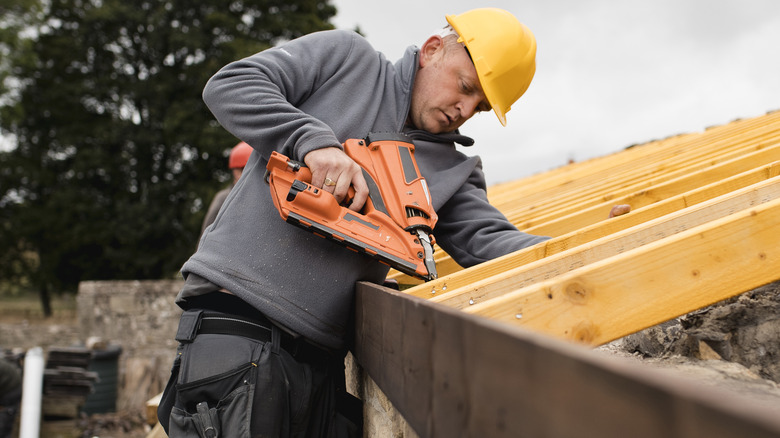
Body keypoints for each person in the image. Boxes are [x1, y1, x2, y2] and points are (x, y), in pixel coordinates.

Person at [159, 8, 627, 437]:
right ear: (432, 49)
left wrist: (591, 244)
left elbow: (493, 242)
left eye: (481, 106)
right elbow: (231, 83)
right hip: (238, 329)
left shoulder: (451, 170)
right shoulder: (346, 60)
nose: (464, 109)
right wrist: (311, 140)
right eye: (465, 86)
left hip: (321, 366)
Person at [199, 141, 253, 237]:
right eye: (243, 169)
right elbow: (206, 234)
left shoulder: (259, 197)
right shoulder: (224, 198)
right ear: (235, 171)